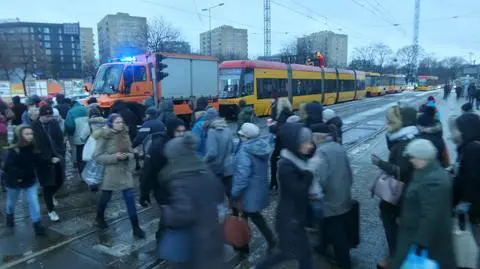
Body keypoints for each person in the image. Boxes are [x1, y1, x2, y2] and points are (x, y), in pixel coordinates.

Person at [254, 123, 315, 269]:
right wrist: (309, 176)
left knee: (301, 255)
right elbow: (298, 190)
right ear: (296, 144)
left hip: (294, 218)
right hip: (289, 220)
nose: (310, 145)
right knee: (288, 254)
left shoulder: (297, 158)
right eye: (306, 142)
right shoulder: (286, 166)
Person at [159, 135, 226, 269]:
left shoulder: (180, 179)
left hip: (193, 243)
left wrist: (166, 210)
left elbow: (182, 215)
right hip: (212, 235)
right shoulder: (205, 170)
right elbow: (219, 195)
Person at [390, 139, 456, 269]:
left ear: (423, 157)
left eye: (413, 157)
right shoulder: (426, 171)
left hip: (420, 239)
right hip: (414, 233)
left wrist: (421, 243)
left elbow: (431, 216)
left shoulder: (433, 181)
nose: (410, 160)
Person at [371, 105, 418, 269]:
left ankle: (395, 259)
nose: (386, 123)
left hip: (400, 195)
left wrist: (380, 163)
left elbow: (401, 172)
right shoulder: (408, 137)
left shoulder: (404, 143)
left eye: (389, 121)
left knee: (391, 223)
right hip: (406, 194)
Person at [308, 123, 353, 269]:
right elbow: (349, 171)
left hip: (331, 198)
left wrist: (313, 193)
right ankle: (322, 246)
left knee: (337, 231)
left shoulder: (321, 152)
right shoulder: (338, 146)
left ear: (318, 136)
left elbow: (320, 179)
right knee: (327, 224)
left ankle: (344, 262)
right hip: (343, 194)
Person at [93, 114, 145, 238]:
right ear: (111, 124)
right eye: (117, 122)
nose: (120, 124)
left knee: (130, 199)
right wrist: (114, 157)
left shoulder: (125, 134)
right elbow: (97, 156)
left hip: (125, 171)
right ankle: (99, 217)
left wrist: (129, 156)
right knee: (105, 197)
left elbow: (131, 152)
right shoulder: (104, 136)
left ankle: (136, 227)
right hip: (111, 173)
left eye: (121, 122)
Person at [231, 123, 276, 256]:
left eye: (241, 135)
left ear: (245, 136)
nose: (239, 137)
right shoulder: (261, 145)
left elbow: (242, 177)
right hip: (258, 189)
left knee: (242, 218)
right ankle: (271, 240)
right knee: (255, 216)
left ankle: (243, 248)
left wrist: (234, 194)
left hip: (246, 192)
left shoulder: (245, 152)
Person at [139, 117, 186, 241]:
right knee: (169, 215)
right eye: (178, 132)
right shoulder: (158, 147)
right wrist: (144, 193)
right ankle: (162, 238)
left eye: (183, 131)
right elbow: (148, 171)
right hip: (162, 188)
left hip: (176, 187)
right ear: (171, 131)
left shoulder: (179, 143)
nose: (181, 135)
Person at [4, 125, 46, 235]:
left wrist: (49, 161)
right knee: (11, 203)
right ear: (20, 136)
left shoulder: (33, 148)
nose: (30, 136)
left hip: (30, 180)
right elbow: (8, 167)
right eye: (27, 134)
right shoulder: (14, 150)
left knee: (34, 202)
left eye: (31, 134)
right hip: (14, 182)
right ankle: (9, 215)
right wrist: (18, 175)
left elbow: (39, 162)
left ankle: (37, 224)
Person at [31, 105, 65, 222]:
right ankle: (51, 210)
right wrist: (48, 159)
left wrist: (61, 152)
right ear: (41, 115)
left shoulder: (54, 123)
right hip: (43, 162)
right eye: (47, 116)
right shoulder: (34, 126)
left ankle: (51, 195)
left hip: (57, 157)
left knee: (59, 181)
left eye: (51, 116)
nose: (49, 118)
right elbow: (35, 148)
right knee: (47, 186)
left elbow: (60, 137)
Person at [449, 113, 480, 233]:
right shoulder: (467, 145)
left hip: (472, 208)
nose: (455, 131)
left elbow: (472, 181)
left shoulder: (472, 149)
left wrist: (464, 204)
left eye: (458, 128)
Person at [203, 108, 234, 197]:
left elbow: (212, 152)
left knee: (217, 195)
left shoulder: (212, 131)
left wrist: (203, 161)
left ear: (209, 120)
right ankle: (235, 210)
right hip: (228, 166)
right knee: (230, 192)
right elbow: (232, 147)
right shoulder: (227, 128)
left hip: (216, 167)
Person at [269, 98, 293, 190]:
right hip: (289, 143)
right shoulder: (291, 114)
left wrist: (271, 127)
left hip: (281, 143)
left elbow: (280, 129)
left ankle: (274, 181)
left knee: (273, 160)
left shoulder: (282, 115)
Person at [65, 101, 90, 173]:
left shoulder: (71, 112)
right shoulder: (86, 109)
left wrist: (70, 134)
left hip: (78, 136)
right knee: (87, 153)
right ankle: (88, 171)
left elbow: (70, 126)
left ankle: (82, 173)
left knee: (79, 156)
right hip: (88, 136)